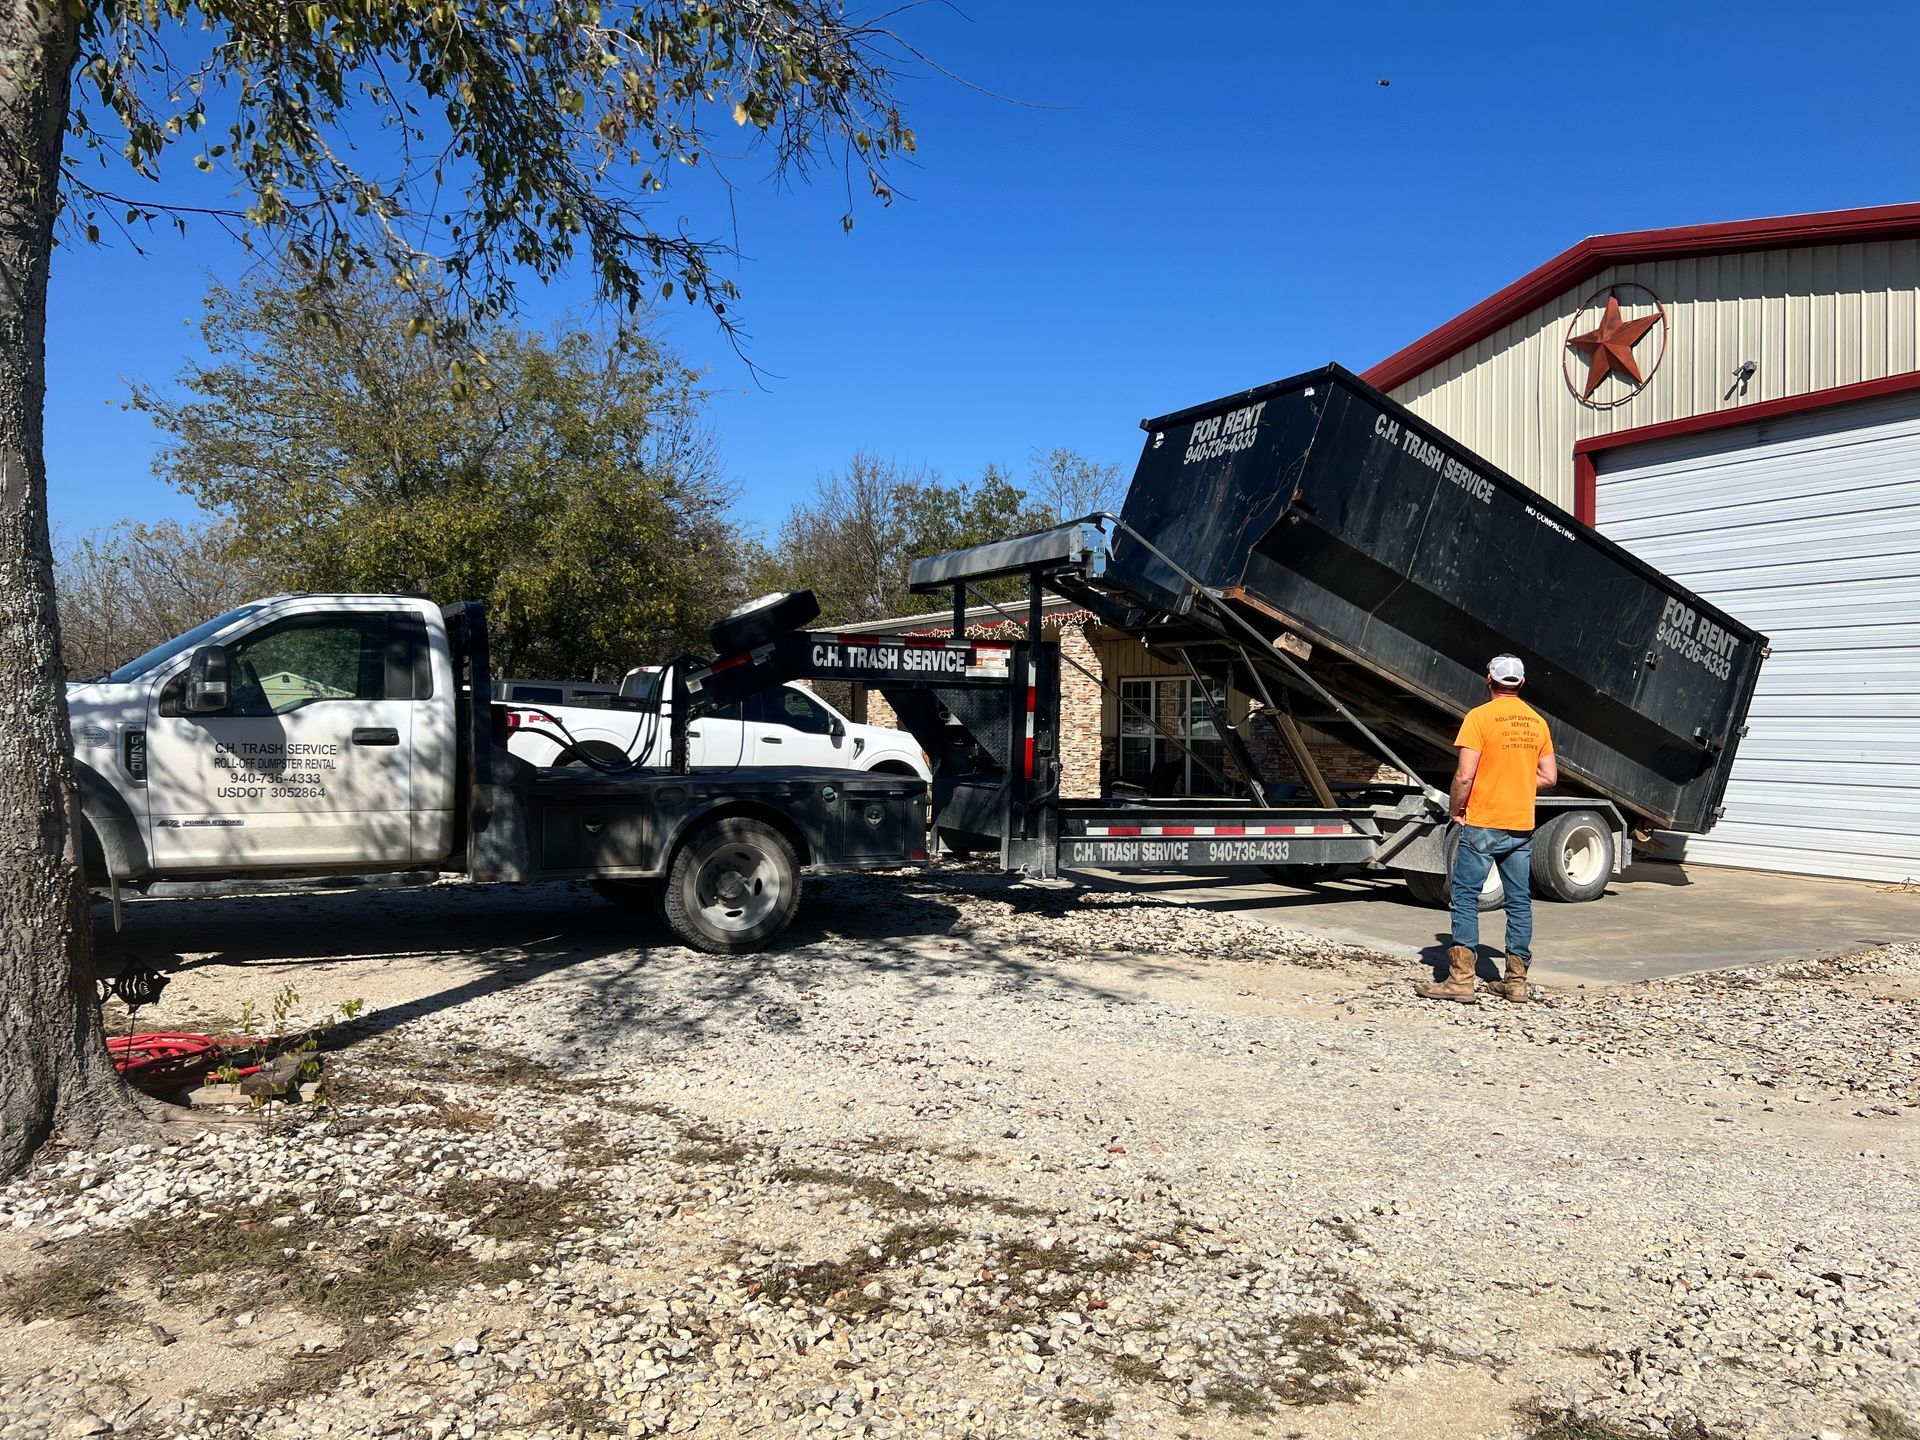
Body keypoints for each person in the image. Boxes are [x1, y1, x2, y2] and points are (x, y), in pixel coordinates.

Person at [1416, 654, 1556, 1004]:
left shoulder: (1479, 718)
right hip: (1521, 824)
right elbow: (1549, 777)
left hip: (1483, 821)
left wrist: (1455, 808)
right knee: (1519, 902)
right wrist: (1518, 780)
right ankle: (1515, 982)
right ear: (1521, 683)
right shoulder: (1538, 723)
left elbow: (1464, 775)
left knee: (1465, 897)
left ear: (1488, 680)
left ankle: (1461, 981)